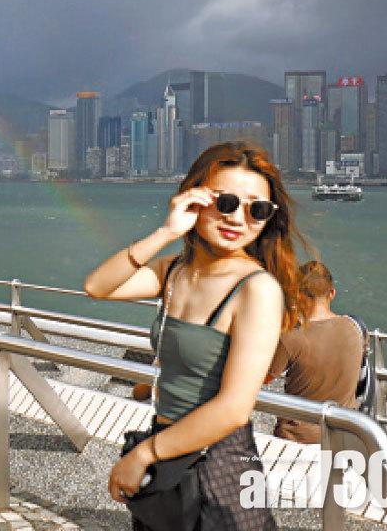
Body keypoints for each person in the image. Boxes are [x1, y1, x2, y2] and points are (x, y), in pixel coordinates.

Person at [84, 142, 307, 529]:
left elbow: (235, 408)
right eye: (226, 202)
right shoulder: (174, 271)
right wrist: (166, 231)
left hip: (218, 460)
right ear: (195, 198)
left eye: (257, 209)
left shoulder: (256, 289)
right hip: (168, 446)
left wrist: (144, 455)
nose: (238, 218)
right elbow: (97, 286)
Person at [266, 260, 364, 443]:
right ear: (332, 293)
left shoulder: (291, 337)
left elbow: (264, 378)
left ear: (297, 295)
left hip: (297, 438)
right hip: (344, 433)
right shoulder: (355, 328)